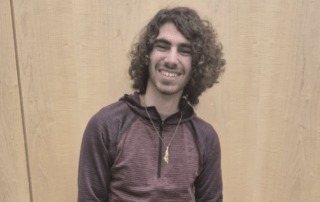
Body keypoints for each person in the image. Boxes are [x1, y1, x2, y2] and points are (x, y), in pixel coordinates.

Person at [78, 6, 226, 202]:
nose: (171, 59)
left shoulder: (206, 138)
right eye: (163, 46)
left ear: (196, 64)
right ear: (147, 55)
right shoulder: (106, 125)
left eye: (184, 50)